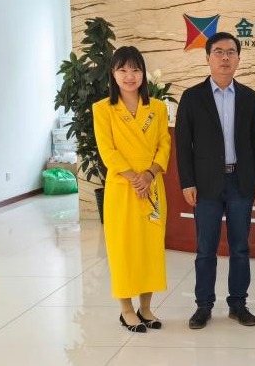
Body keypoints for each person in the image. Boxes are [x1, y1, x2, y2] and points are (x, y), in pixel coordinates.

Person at [175, 32, 255, 330]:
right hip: (205, 185)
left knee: (240, 247)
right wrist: (187, 182)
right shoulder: (192, 97)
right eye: (218, 52)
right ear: (208, 58)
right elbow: (183, 144)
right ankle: (203, 306)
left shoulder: (249, 97)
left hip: (240, 181)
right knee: (206, 249)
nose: (225, 58)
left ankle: (238, 304)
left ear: (238, 58)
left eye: (231, 52)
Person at [93, 46, 171, 333]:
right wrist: (134, 178)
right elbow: (107, 150)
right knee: (123, 248)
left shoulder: (158, 108)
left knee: (150, 247)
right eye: (123, 70)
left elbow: (164, 144)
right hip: (122, 188)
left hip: (152, 186)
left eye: (135, 69)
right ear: (113, 74)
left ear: (143, 74)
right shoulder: (103, 109)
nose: (129, 76)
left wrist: (149, 174)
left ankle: (146, 308)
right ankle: (126, 310)